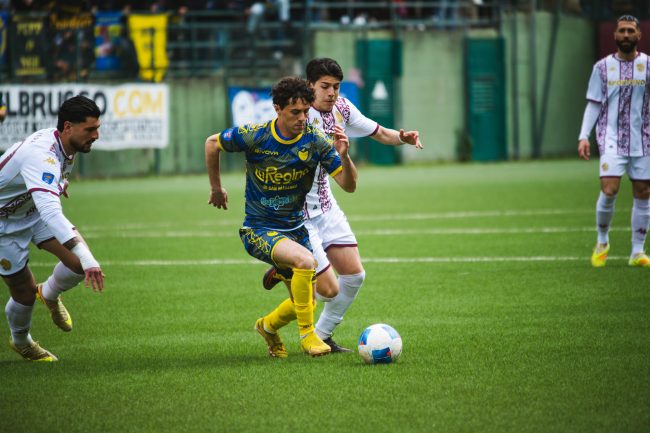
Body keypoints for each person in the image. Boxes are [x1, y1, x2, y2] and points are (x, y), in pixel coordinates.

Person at [262, 57, 423, 352]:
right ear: (310, 86)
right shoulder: (298, 117)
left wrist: (402, 137)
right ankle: (283, 287)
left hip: (326, 206)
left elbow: (378, 132)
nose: (332, 92)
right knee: (325, 291)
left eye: (336, 86)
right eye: (325, 86)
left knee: (354, 276)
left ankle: (322, 334)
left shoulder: (343, 108)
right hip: (298, 216)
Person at [205, 76, 357, 357]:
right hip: (258, 229)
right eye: (294, 112)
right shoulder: (256, 135)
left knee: (317, 298)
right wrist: (216, 188)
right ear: (277, 108)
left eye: (306, 111)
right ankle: (308, 336)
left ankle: (267, 327)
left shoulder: (316, 140)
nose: (302, 118)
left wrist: (344, 157)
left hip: (296, 230)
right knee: (305, 261)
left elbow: (348, 186)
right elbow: (212, 143)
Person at [1, 95, 105, 362]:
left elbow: (45, 188)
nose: (96, 135)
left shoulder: (66, 145)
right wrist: (89, 258)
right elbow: (51, 212)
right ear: (68, 126)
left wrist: (58, 185)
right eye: (90, 129)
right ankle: (22, 342)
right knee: (23, 291)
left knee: (78, 264)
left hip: (31, 212)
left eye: (97, 128)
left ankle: (47, 294)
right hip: (4, 225)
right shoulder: (42, 154)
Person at [578, 15, 650, 268]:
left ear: (639, 35)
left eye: (631, 30)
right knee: (609, 189)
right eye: (622, 31)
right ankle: (602, 241)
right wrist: (583, 136)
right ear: (615, 35)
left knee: (643, 192)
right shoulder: (601, 68)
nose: (626, 35)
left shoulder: (648, 65)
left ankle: (637, 252)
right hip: (610, 138)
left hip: (644, 139)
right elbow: (594, 103)